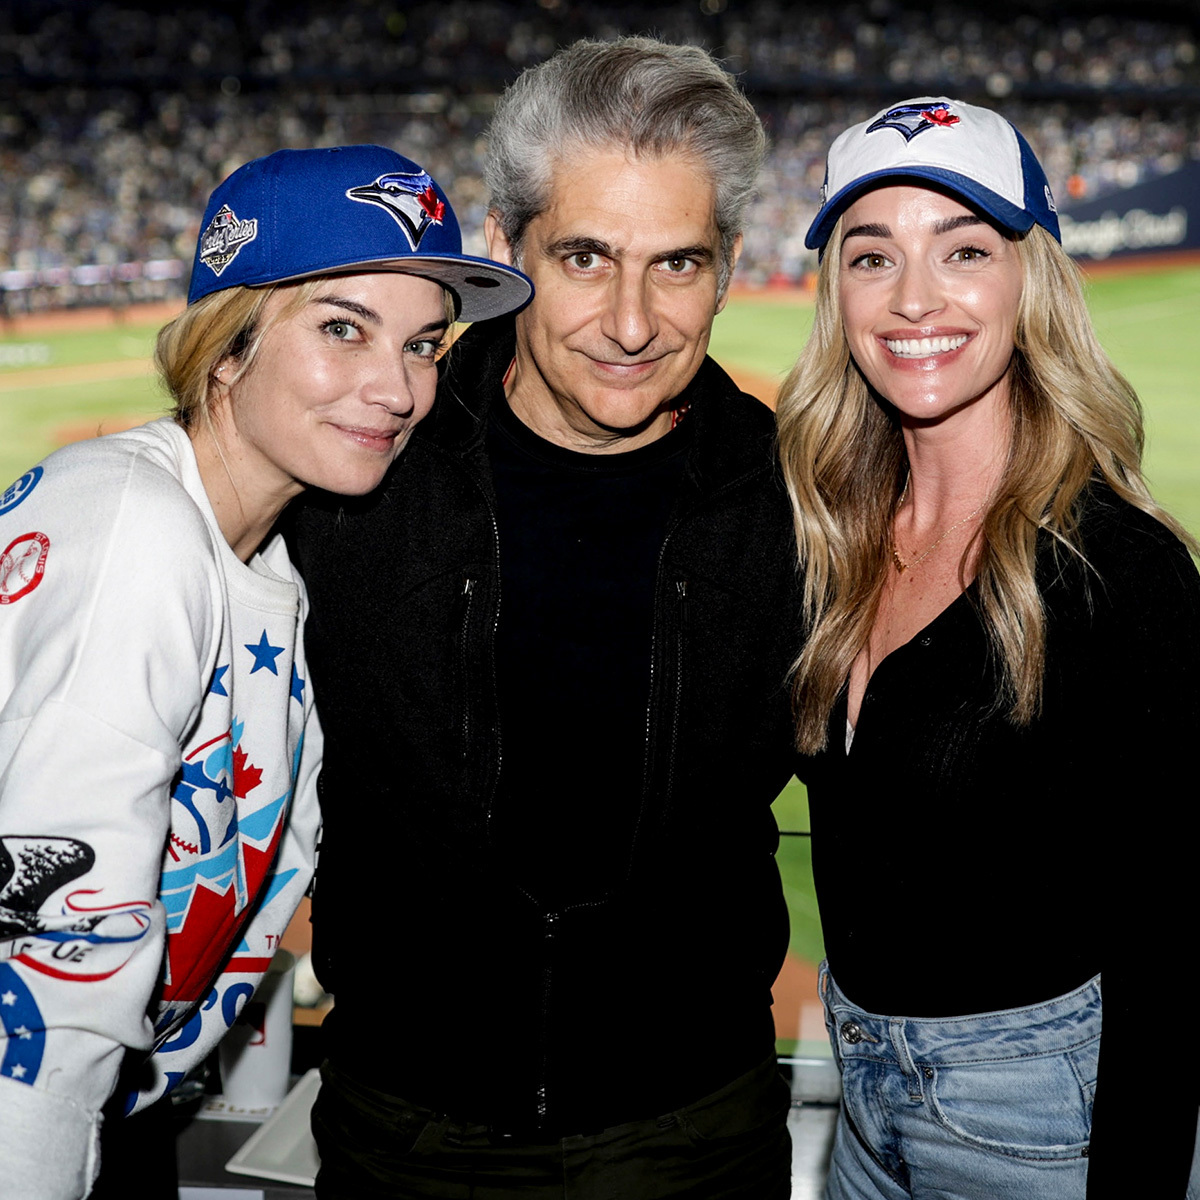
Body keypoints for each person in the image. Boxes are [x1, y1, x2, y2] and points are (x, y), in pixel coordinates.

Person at [287, 36, 801, 1200]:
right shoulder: (359, 475)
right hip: (398, 1131)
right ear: (508, 248)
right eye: (584, 256)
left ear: (728, 265)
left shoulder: (800, 505)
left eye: (678, 264)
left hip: (696, 1135)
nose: (632, 322)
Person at [0, 144, 530, 1200]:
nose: (399, 388)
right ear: (227, 346)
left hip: (113, 1120)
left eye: (426, 343)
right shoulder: (134, 531)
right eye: (343, 326)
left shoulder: (270, 569)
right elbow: (48, 961)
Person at [776, 97, 1200, 1199]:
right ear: (840, 295)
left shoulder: (1121, 569)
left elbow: (1175, 945)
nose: (915, 297)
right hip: (861, 1106)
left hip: (1046, 1123)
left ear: (1033, 279)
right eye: (873, 257)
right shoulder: (824, 533)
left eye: (965, 250)